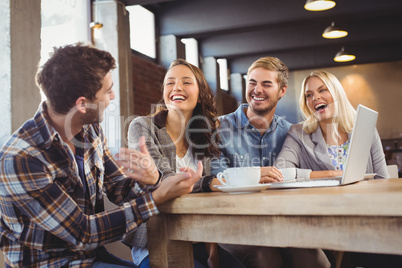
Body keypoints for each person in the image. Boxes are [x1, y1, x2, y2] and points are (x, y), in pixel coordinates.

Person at [0, 43, 203, 268]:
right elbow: (83, 233)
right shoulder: (22, 159)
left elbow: (119, 188)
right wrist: (155, 198)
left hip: (91, 256)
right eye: (107, 91)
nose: (113, 96)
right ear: (82, 104)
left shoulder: (88, 129)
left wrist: (153, 179)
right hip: (52, 263)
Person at [122, 59, 245, 268]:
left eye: (186, 82)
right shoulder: (142, 127)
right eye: (170, 83)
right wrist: (210, 182)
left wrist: (212, 251)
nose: (177, 87)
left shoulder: (206, 136)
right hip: (156, 240)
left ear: (200, 94)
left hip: (197, 238)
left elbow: (207, 201)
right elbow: (165, 180)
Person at [211, 57, 331, 268]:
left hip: (280, 223)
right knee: (265, 259)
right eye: (252, 82)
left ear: (282, 90)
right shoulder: (218, 128)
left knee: (316, 260)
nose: (257, 90)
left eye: (266, 84)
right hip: (232, 224)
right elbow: (215, 179)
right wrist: (255, 175)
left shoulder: (291, 131)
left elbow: (303, 177)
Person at [274, 70, 389, 179]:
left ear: (337, 94)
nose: (315, 97)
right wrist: (331, 173)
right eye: (309, 95)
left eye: (322, 90)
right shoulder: (298, 133)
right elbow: (281, 172)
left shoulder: (366, 129)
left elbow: (383, 178)